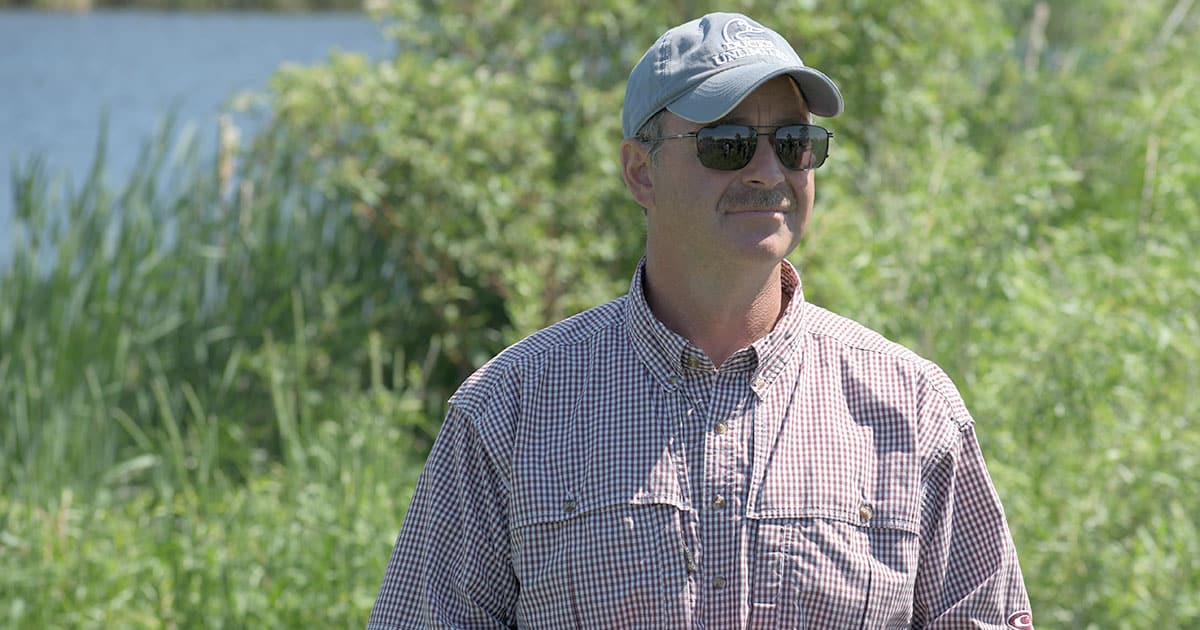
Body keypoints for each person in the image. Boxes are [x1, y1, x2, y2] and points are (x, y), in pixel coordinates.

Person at [368, 12, 1033, 629]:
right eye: (729, 144)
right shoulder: (508, 411)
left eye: (796, 143)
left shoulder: (913, 410)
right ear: (640, 172)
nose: (769, 171)